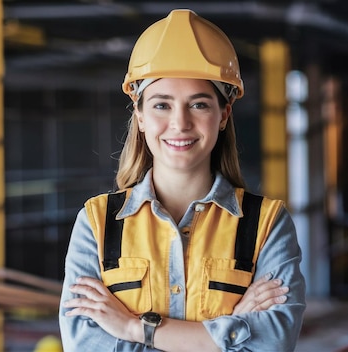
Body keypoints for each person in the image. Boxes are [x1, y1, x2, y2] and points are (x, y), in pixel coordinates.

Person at [59, 9, 305, 352]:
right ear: (140, 116)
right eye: (162, 105)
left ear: (223, 115)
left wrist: (133, 327)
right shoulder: (97, 224)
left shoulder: (266, 224)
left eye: (199, 104)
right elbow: (84, 346)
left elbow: (272, 344)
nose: (180, 123)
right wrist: (228, 333)